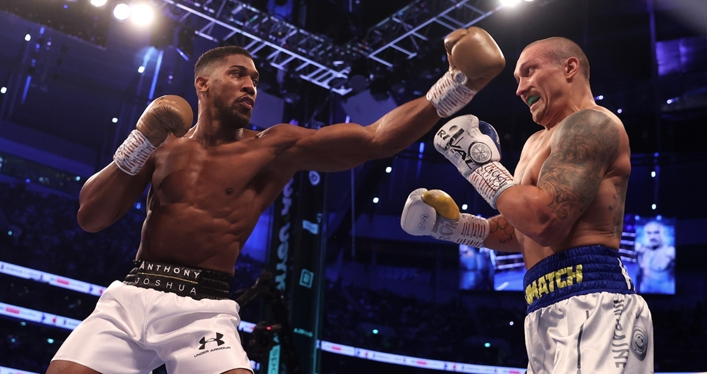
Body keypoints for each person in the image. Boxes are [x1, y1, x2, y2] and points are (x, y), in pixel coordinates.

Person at [46, 27, 505, 374]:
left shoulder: (272, 146)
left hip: (203, 310)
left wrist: (456, 84)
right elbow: (91, 216)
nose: (251, 86)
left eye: (255, 79)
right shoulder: (162, 146)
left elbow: (375, 139)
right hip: (131, 297)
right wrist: (142, 137)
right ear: (202, 85)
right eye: (238, 74)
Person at [401, 37, 654, 373]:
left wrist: (478, 165)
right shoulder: (535, 143)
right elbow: (523, 230)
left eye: (529, 72)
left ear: (569, 68)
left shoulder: (593, 125)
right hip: (540, 307)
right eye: (518, 79)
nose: (520, 89)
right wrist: (453, 226)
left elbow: (546, 221)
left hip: (594, 301)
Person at [636, 220, 675, 294]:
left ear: (663, 233)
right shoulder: (642, 250)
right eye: (649, 233)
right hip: (644, 293)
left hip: (665, 294)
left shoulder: (670, 251)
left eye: (656, 232)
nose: (652, 236)